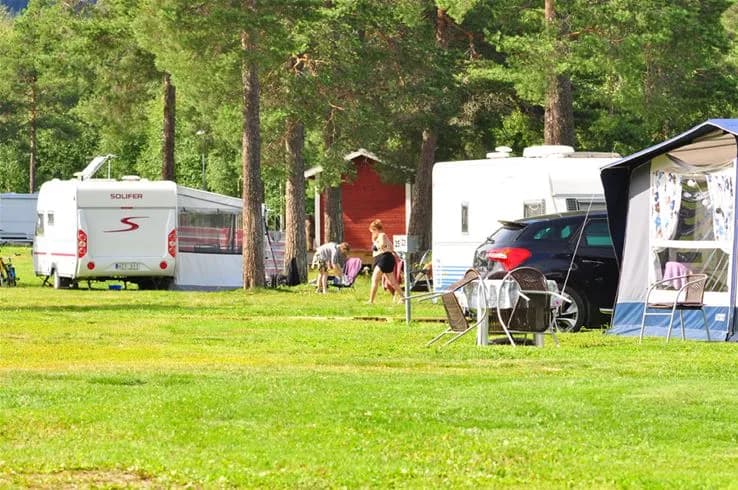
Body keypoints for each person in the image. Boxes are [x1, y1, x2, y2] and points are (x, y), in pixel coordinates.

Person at [368, 219, 401, 303]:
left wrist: (376, 246)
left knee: (374, 279)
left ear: (375, 229)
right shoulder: (379, 237)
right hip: (382, 258)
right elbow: (391, 247)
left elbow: (382, 245)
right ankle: (403, 298)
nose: (372, 233)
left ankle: (371, 301)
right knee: (392, 281)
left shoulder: (382, 235)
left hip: (384, 258)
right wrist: (374, 241)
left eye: (372, 231)